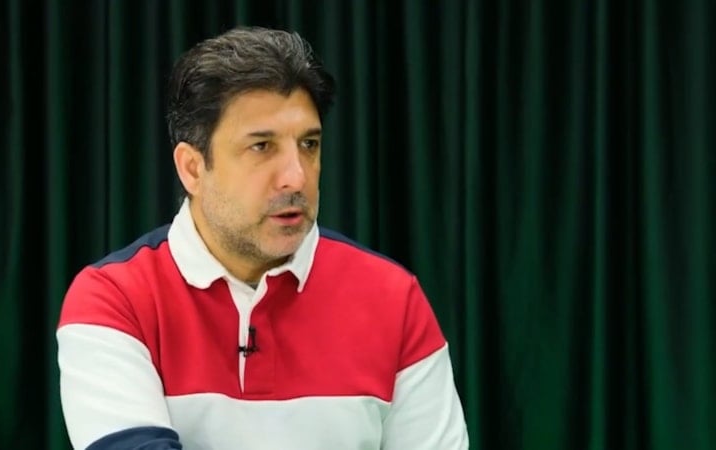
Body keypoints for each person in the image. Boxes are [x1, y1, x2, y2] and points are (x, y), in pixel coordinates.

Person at [56, 26, 469, 450]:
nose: (296, 176)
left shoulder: (393, 299)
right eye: (262, 147)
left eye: (309, 144)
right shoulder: (113, 300)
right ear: (192, 168)